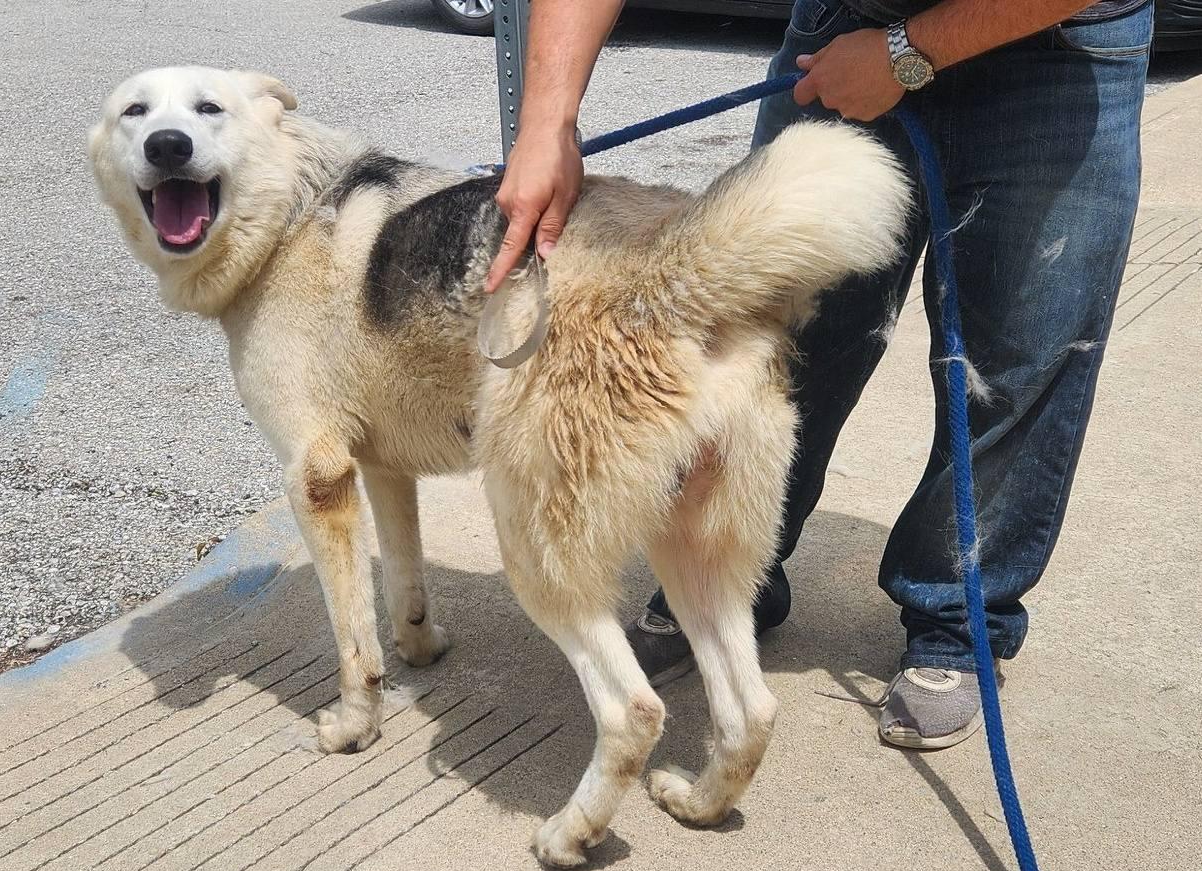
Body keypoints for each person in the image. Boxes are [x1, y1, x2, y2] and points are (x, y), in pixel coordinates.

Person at [487, 0, 1151, 749]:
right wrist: (548, 122)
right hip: (844, 33)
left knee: (1015, 365)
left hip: (1055, 47)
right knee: (767, 339)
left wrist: (908, 53)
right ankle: (722, 580)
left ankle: (958, 619)